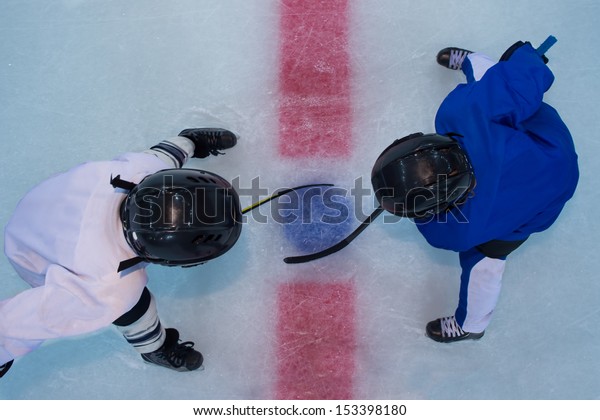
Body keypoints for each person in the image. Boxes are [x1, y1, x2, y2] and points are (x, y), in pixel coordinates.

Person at [371, 37, 579, 343]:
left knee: (483, 261)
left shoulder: (455, 229)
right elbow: (524, 81)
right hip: (552, 148)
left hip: (539, 201)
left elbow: (434, 221)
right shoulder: (466, 113)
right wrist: (525, 57)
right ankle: (477, 62)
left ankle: (472, 324)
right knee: (497, 89)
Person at [0, 128, 241, 378]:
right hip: (30, 258)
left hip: (41, 205)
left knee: (159, 161)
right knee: (133, 305)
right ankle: (153, 348)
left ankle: (191, 140)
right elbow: (18, 324)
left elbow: (162, 155)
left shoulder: (138, 173)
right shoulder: (106, 287)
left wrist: (188, 142)